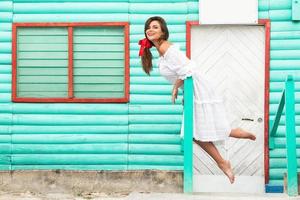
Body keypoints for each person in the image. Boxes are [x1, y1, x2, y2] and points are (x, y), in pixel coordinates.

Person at [139, 16, 257, 184]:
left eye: (155, 27)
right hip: (192, 89)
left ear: (163, 31)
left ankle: (224, 161)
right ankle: (232, 135)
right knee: (196, 132)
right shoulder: (162, 51)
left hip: (198, 89)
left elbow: (189, 70)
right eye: (148, 27)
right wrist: (180, 89)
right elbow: (182, 72)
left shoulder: (166, 48)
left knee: (194, 132)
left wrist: (175, 88)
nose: (150, 30)